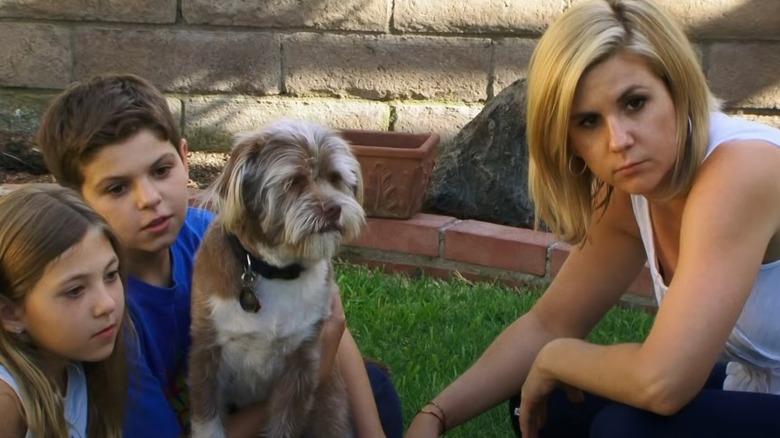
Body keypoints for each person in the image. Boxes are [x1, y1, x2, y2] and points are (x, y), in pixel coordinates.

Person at [405, 0, 780, 437]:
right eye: (588, 122)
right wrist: (436, 414)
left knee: (625, 427)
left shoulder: (742, 170)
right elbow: (551, 323)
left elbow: (663, 382)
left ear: (677, 88)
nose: (618, 140)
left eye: (635, 103)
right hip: (761, 390)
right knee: (555, 399)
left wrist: (558, 357)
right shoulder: (633, 187)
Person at [37, 73, 403, 438]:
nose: (149, 199)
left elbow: (331, 328)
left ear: (184, 157)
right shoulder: (106, 317)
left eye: (161, 170)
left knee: (376, 390)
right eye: (117, 187)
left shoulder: (211, 233)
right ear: (74, 198)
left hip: (257, 397)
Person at [0, 185, 131, 438]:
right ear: (11, 314)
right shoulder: (7, 402)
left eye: (111, 275)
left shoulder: (76, 365)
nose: (107, 304)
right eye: (74, 291)